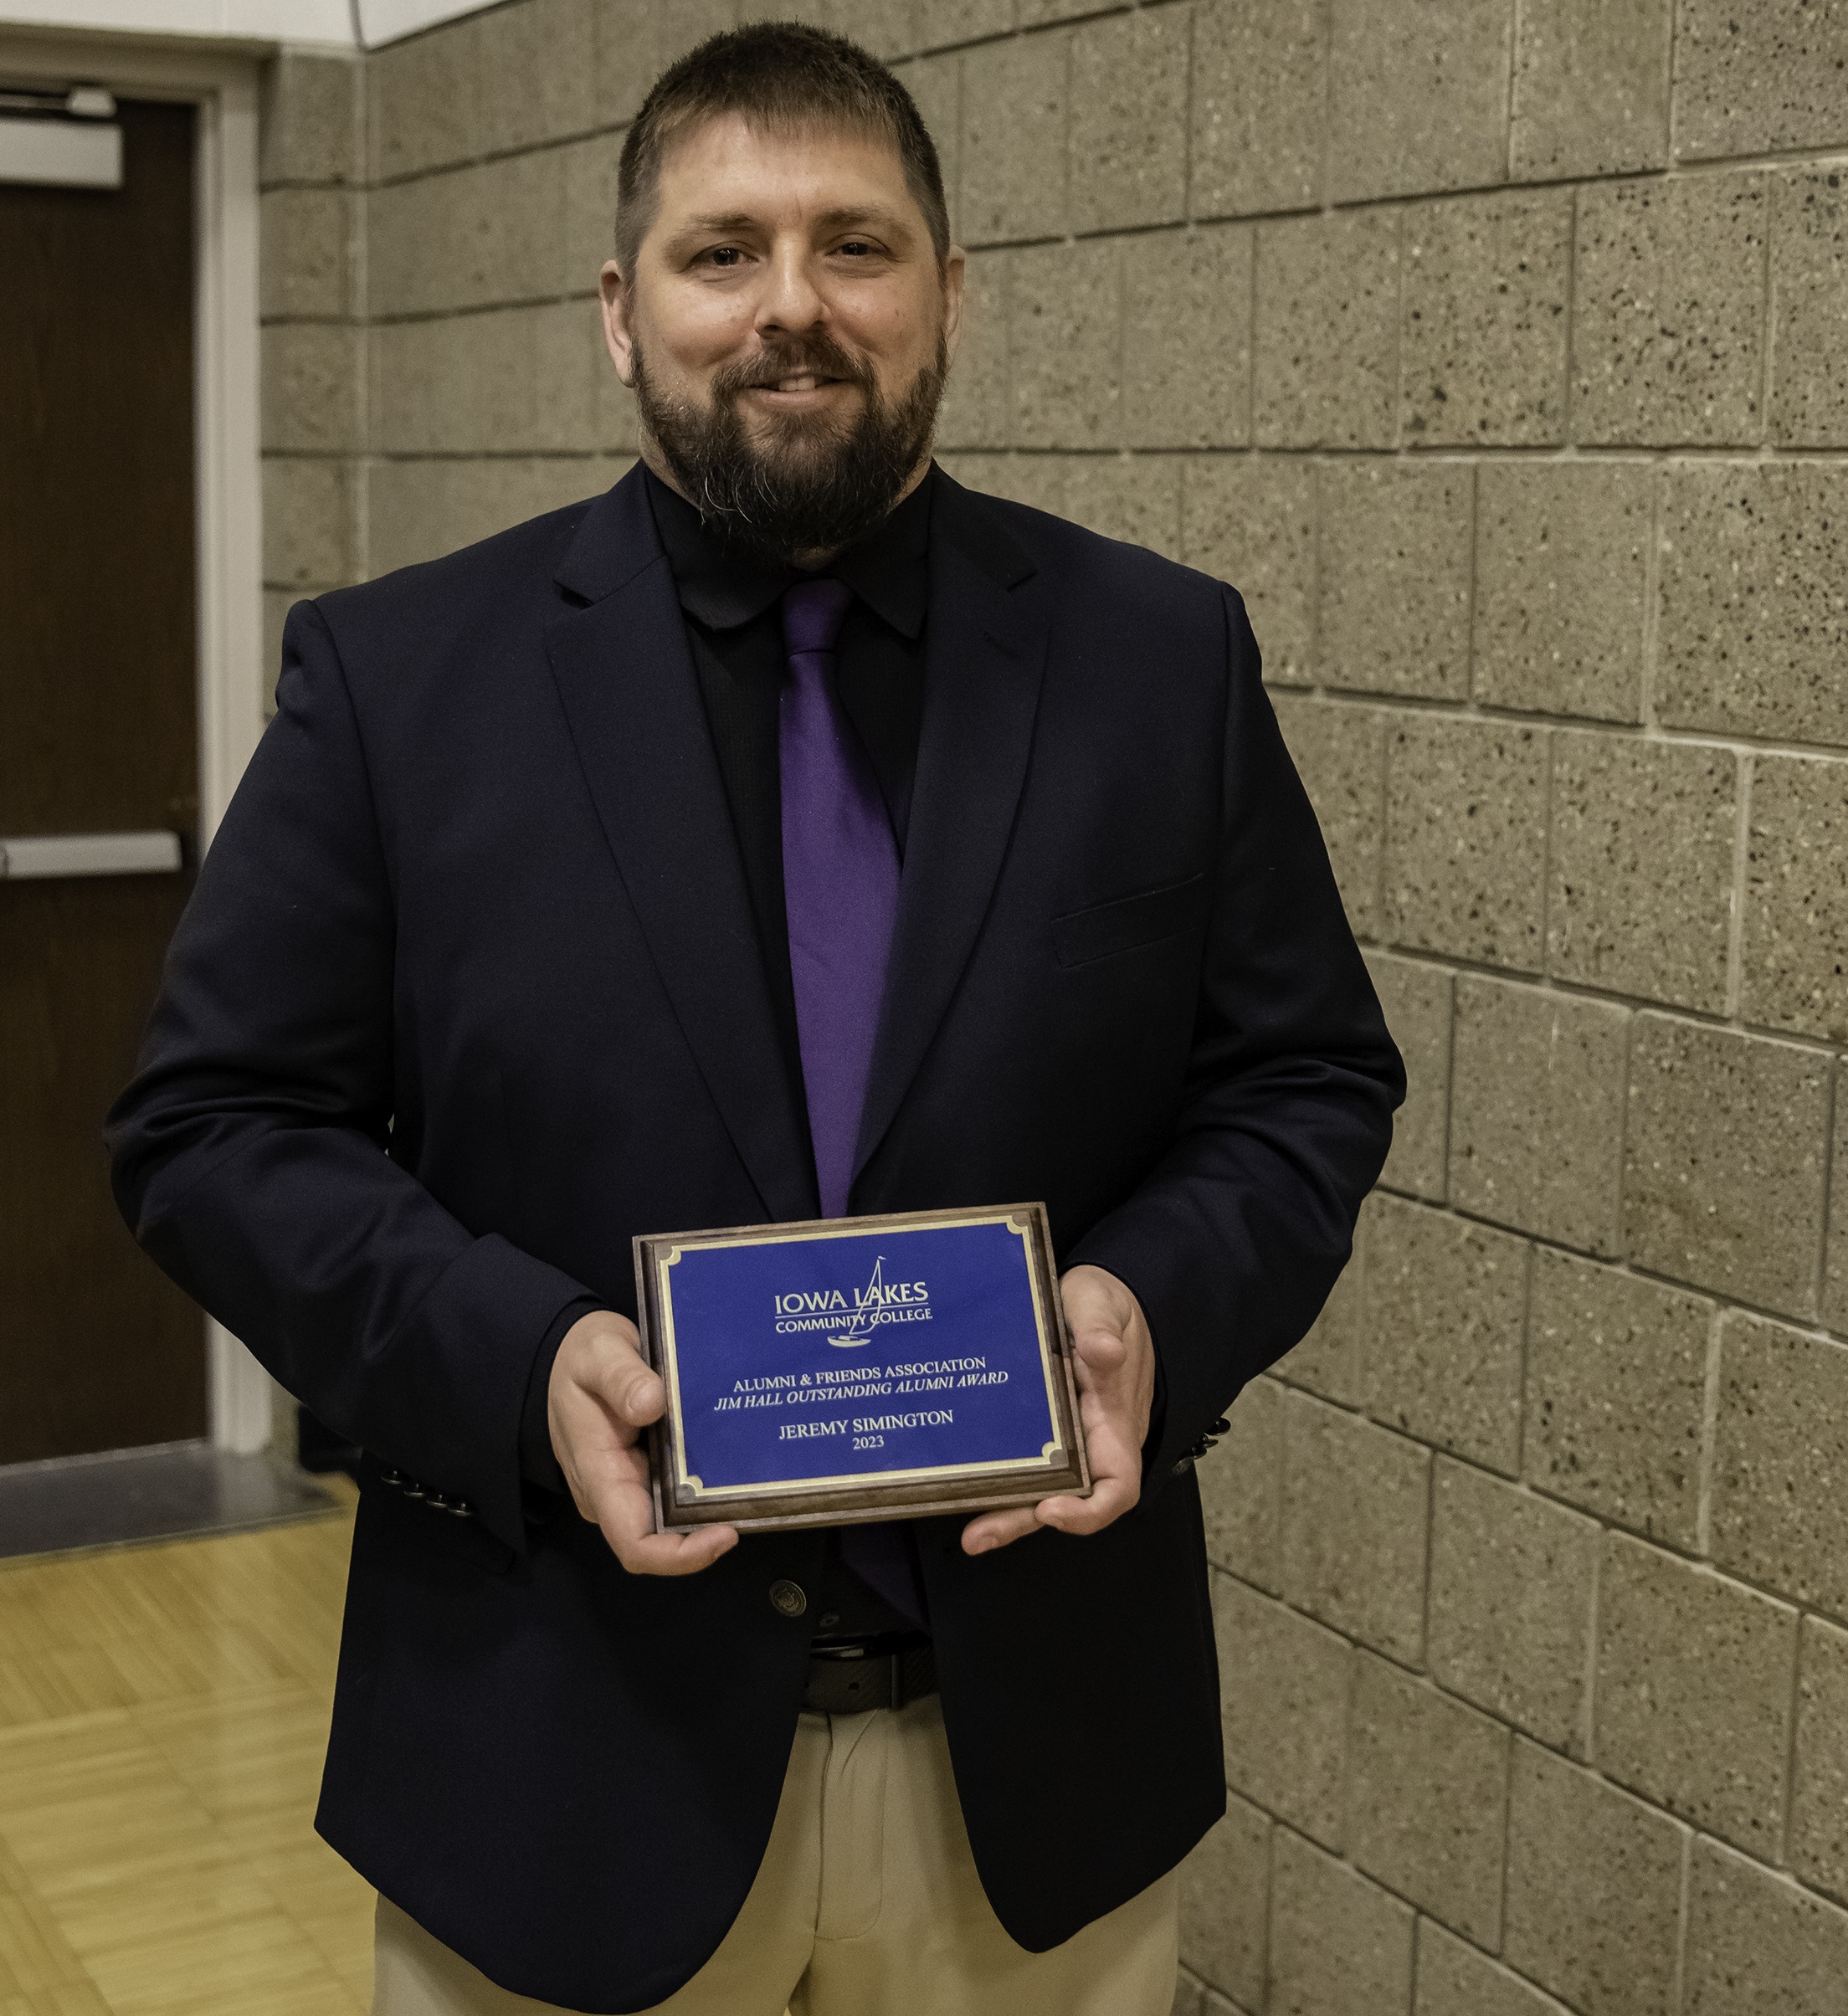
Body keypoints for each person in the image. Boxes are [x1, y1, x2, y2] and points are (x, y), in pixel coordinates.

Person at [106, 22, 1404, 2016]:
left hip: (1033, 1784)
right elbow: (212, 1125)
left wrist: (1155, 1300)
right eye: (724, 251)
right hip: (559, 1765)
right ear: (620, 312)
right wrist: (518, 1359)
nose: (793, 304)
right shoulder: (401, 683)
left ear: (948, 294)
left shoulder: (1161, 660)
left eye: (853, 245)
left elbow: (1302, 1079)